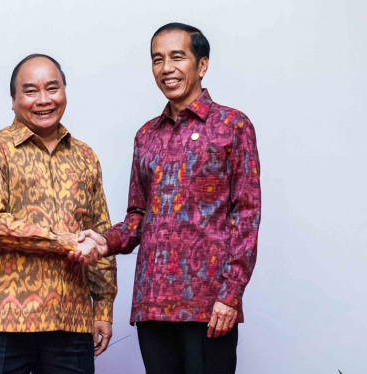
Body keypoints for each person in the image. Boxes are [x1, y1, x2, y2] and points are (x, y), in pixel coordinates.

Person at [77, 23, 261, 374]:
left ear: (202, 65)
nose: (166, 68)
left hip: (208, 304)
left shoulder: (233, 125)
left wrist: (230, 294)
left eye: (178, 57)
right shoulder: (146, 135)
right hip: (153, 302)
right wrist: (104, 241)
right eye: (157, 59)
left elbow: (247, 216)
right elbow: (137, 217)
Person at [0, 54, 117, 374]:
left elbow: (100, 234)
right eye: (31, 91)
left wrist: (103, 308)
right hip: (2, 319)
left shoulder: (85, 156)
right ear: (13, 100)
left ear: (64, 92)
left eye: (52, 88)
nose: (44, 100)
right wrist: (66, 241)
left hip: (72, 319)